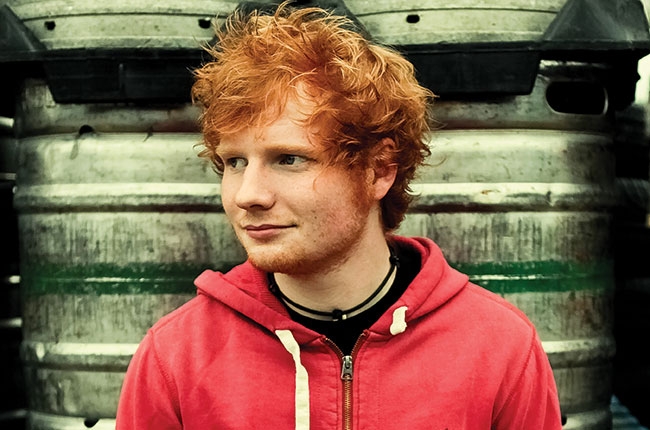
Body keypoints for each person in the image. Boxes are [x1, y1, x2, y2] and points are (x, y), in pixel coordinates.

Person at [115, 1, 563, 428]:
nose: (248, 195)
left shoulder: (499, 348)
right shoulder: (174, 357)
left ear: (378, 171)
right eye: (234, 162)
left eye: (289, 159)